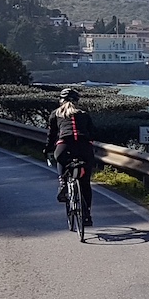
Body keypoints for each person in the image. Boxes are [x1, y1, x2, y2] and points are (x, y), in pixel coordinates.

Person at [43, 88, 95, 226]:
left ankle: (63, 183)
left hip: (64, 146)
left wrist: (47, 150)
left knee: (60, 159)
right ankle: (87, 215)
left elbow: (52, 136)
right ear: (77, 101)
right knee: (85, 183)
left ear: (61, 100)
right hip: (84, 147)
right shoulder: (84, 114)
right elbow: (93, 133)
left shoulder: (56, 114)